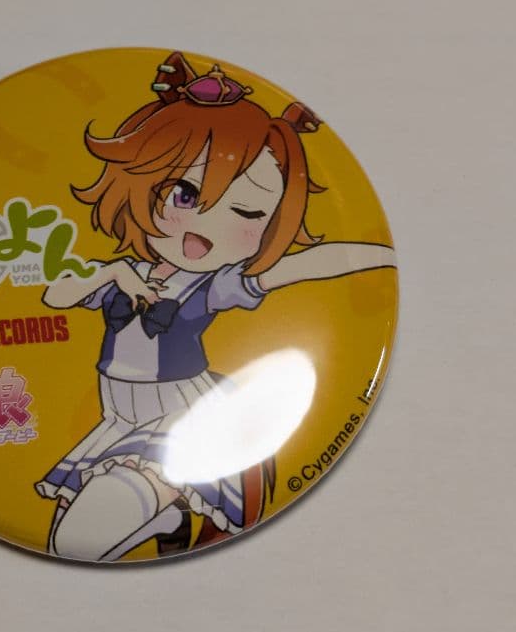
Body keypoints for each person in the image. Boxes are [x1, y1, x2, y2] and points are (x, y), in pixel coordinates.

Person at [35, 52, 395, 561]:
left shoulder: (209, 286)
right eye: (184, 194)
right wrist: (114, 273)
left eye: (246, 212)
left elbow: (297, 267)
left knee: (80, 534)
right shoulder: (124, 274)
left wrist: (380, 255)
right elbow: (56, 295)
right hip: (117, 418)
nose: (204, 227)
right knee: (71, 537)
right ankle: (171, 518)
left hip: (181, 417)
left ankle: (167, 509)